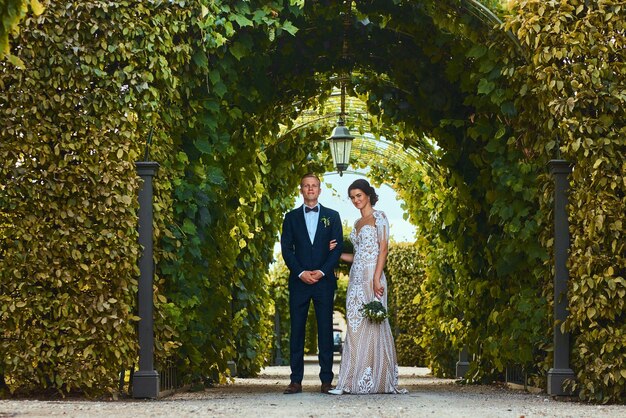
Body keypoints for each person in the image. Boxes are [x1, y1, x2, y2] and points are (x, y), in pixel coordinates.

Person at [328, 178, 407, 395]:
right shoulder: (356, 224)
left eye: (359, 196)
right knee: (354, 327)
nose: (356, 200)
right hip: (356, 278)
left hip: (373, 275)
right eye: (352, 197)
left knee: (375, 325)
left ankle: (379, 380)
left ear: (368, 195)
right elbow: (358, 256)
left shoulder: (379, 217)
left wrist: (376, 278)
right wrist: (333, 252)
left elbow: (383, 250)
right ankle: (348, 382)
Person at [280, 173, 343, 395]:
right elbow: (286, 249)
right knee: (296, 330)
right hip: (299, 282)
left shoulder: (332, 216)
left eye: (314, 185)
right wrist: (300, 273)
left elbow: (337, 250)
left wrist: (322, 272)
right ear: (301, 190)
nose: (310, 189)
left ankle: (326, 380)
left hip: (324, 283)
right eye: (306, 186)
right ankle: (295, 380)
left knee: (325, 330)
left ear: (319, 190)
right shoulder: (291, 217)